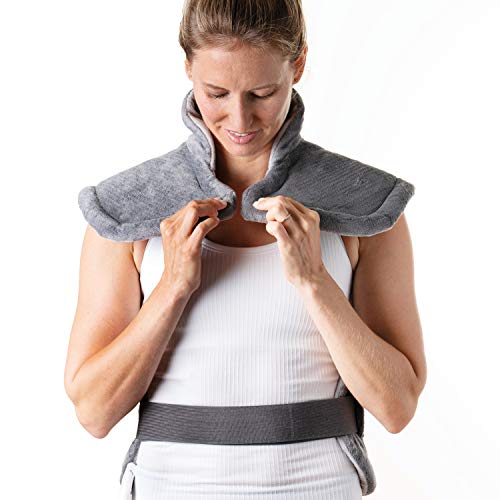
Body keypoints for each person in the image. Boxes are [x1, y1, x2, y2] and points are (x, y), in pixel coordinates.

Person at [64, 1, 427, 498]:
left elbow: (397, 407)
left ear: (298, 65)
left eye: (262, 93)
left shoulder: (366, 207)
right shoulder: (125, 211)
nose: (239, 118)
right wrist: (172, 288)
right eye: (216, 92)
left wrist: (314, 281)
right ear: (188, 67)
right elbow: (93, 412)